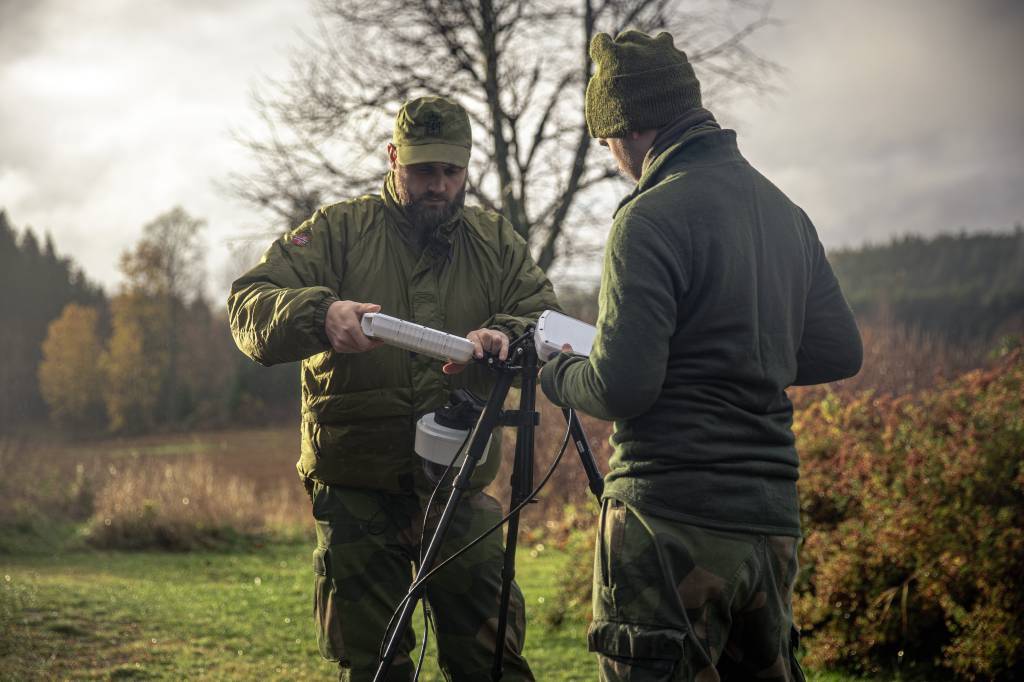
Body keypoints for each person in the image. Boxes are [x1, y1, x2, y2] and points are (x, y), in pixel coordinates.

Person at [539, 30, 863, 682]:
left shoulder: (648, 217)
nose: (612, 158)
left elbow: (621, 387)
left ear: (627, 128)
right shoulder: (785, 213)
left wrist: (556, 372)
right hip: (770, 525)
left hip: (670, 521)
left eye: (605, 144)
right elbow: (838, 349)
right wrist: (738, 352)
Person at [228, 95, 556, 681]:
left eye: (450, 172)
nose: (437, 185)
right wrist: (320, 315)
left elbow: (543, 316)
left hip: (459, 489)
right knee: (373, 667)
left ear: (467, 167)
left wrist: (503, 333)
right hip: (356, 493)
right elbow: (247, 306)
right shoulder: (336, 230)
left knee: (493, 663)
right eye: (422, 169)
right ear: (392, 158)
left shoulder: (495, 240)